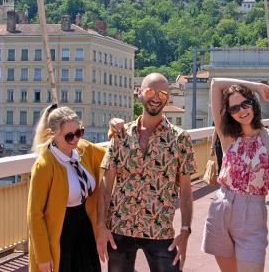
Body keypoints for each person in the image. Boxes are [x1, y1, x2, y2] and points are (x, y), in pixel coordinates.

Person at [97, 73, 196, 272]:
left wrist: (185, 230)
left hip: (160, 231)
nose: (156, 98)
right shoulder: (121, 135)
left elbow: (185, 191)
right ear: (139, 93)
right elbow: (106, 186)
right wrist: (101, 225)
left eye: (163, 93)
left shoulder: (180, 139)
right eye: (151, 91)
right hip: (120, 229)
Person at [203, 78, 269, 272]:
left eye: (245, 104)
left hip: (253, 213)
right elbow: (216, 84)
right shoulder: (226, 135)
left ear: (253, 104)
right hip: (221, 208)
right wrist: (256, 87)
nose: (241, 111)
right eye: (234, 108)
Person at [28, 104, 105, 272]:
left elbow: (110, 154)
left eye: (79, 132)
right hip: (60, 233)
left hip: (84, 226)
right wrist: (42, 256)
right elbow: (34, 215)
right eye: (70, 136)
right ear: (52, 134)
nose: (76, 139)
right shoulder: (45, 165)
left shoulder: (84, 150)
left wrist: (115, 130)